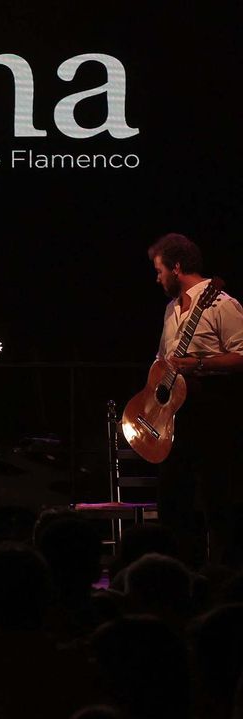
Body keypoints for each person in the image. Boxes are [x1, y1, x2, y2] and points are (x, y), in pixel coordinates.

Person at [145, 233, 243, 566]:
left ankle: (223, 573)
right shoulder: (171, 309)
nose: (157, 278)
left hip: (211, 410)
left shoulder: (222, 304)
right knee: (171, 498)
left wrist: (199, 364)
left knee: (218, 496)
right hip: (176, 415)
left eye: (160, 270)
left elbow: (241, 356)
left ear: (177, 267)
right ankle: (178, 568)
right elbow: (163, 359)